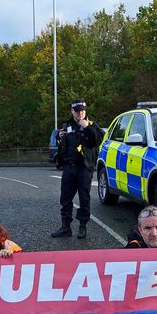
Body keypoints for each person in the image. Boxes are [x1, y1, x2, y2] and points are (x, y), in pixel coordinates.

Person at [51, 99, 104, 239]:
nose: (80, 113)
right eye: (77, 110)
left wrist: (87, 127)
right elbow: (61, 144)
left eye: (82, 110)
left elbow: (97, 141)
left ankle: (82, 227)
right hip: (69, 167)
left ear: (85, 111)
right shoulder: (67, 125)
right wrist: (59, 137)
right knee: (65, 199)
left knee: (84, 199)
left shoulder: (92, 125)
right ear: (72, 111)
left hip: (84, 168)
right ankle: (65, 227)